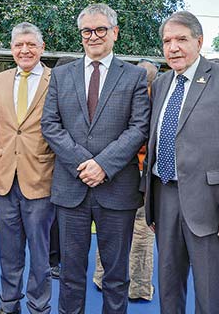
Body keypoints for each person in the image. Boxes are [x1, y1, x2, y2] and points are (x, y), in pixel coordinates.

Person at [141, 10, 219, 314]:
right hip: (165, 197)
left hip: (212, 205)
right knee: (169, 291)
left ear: (199, 41)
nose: (173, 47)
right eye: (167, 41)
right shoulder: (164, 82)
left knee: (210, 297)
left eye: (181, 39)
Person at [41, 3, 150, 314]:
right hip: (71, 189)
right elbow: (50, 124)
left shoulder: (135, 76)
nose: (93, 36)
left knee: (116, 277)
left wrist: (103, 165)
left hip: (116, 190)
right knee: (71, 275)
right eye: (87, 31)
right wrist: (83, 164)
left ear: (114, 33)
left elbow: (139, 126)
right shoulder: (62, 75)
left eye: (100, 29)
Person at [0, 22, 56, 314]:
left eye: (30, 45)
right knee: (8, 251)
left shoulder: (58, 79)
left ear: (41, 47)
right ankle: (8, 304)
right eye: (18, 45)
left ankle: (39, 307)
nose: (24, 50)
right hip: (3, 179)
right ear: (12, 48)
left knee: (40, 253)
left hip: (41, 178)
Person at [93, 58, 159, 301]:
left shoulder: (126, 96)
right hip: (131, 172)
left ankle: (104, 277)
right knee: (139, 232)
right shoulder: (153, 100)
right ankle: (137, 288)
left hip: (121, 171)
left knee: (112, 229)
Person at [49, 56, 79, 281]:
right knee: (54, 221)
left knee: (60, 221)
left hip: (73, 168)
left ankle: (57, 261)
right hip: (50, 169)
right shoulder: (53, 93)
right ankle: (53, 261)